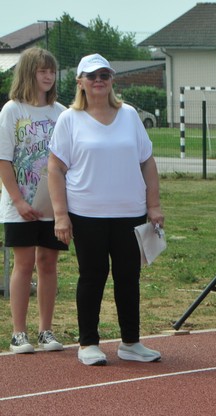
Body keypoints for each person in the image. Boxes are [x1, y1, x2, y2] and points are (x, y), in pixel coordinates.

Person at [48, 54, 164, 367]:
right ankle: (88, 343)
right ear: (80, 82)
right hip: (87, 214)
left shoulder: (128, 115)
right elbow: (55, 168)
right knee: (92, 276)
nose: (98, 81)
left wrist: (153, 205)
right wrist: (61, 215)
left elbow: (147, 162)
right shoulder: (69, 119)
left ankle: (130, 342)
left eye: (104, 75)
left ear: (111, 79)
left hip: (130, 212)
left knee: (129, 277)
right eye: (91, 76)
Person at [1, 47, 66, 354]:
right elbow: (4, 160)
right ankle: (18, 333)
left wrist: (61, 206)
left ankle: (45, 331)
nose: (48, 77)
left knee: (48, 263)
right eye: (42, 71)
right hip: (21, 207)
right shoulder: (12, 110)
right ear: (29, 73)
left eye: (52, 72)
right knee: (24, 265)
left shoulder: (62, 113)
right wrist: (18, 201)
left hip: (53, 207)